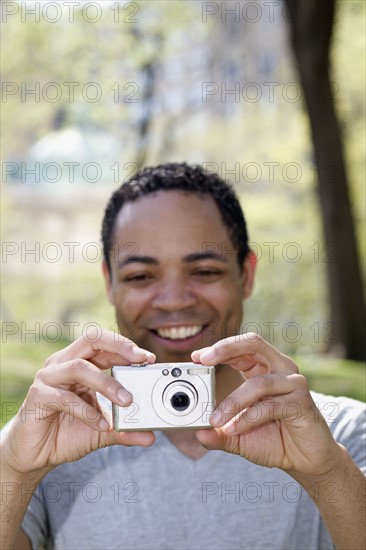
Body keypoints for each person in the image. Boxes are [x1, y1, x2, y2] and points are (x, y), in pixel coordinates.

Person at [1, 163, 365, 550]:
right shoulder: (49, 437)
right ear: (109, 281)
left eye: (204, 271)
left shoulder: (337, 432)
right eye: (141, 276)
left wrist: (328, 473)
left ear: (245, 274)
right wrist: (13, 470)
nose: (174, 300)